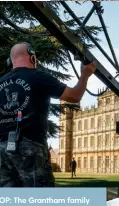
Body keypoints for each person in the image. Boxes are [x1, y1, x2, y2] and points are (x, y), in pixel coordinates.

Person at [0, 42, 96, 187]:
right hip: (31, 146)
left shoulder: (1, 81)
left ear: (10, 61)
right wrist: (85, 75)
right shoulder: (38, 76)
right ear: (32, 58)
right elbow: (74, 96)